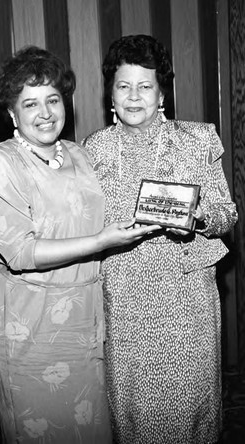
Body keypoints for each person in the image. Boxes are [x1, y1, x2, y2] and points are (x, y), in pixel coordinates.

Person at [0, 45, 158, 444]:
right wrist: (101, 241)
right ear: (11, 114)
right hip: (32, 322)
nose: (45, 113)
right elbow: (21, 253)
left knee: (90, 426)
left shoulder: (77, 153)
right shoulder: (0, 165)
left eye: (53, 100)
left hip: (86, 315)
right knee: (41, 425)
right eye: (30, 103)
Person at [82, 34, 238, 444]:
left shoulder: (198, 140)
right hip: (124, 301)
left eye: (145, 86)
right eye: (123, 86)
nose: (134, 97)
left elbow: (228, 214)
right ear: (110, 94)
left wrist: (199, 215)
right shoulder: (92, 149)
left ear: (161, 92)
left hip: (186, 302)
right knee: (134, 418)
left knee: (187, 417)